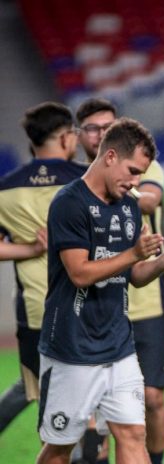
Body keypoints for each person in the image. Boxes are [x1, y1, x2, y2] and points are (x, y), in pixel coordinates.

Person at [35, 117, 164, 464]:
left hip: (118, 345)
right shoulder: (69, 203)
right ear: (109, 156)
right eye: (132, 170)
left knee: (132, 434)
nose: (136, 182)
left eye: (141, 173)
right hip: (71, 348)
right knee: (60, 448)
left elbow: (134, 274)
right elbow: (80, 273)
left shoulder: (128, 207)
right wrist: (133, 254)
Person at [77, 98, 164, 464]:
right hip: (96, 306)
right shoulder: (75, 189)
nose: (102, 133)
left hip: (147, 302)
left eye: (108, 126)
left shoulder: (145, 169)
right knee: (93, 410)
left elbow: (149, 201)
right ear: (80, 135)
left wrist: (122, 183)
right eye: (93, 128)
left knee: (152, 398)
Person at [0, 102, 86, 434]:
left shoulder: (7, 187)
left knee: (33, 388)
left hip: (34, 309)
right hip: (85, 307)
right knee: (88, 394)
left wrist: (32, 248)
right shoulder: (85, 182)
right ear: (65, 138)